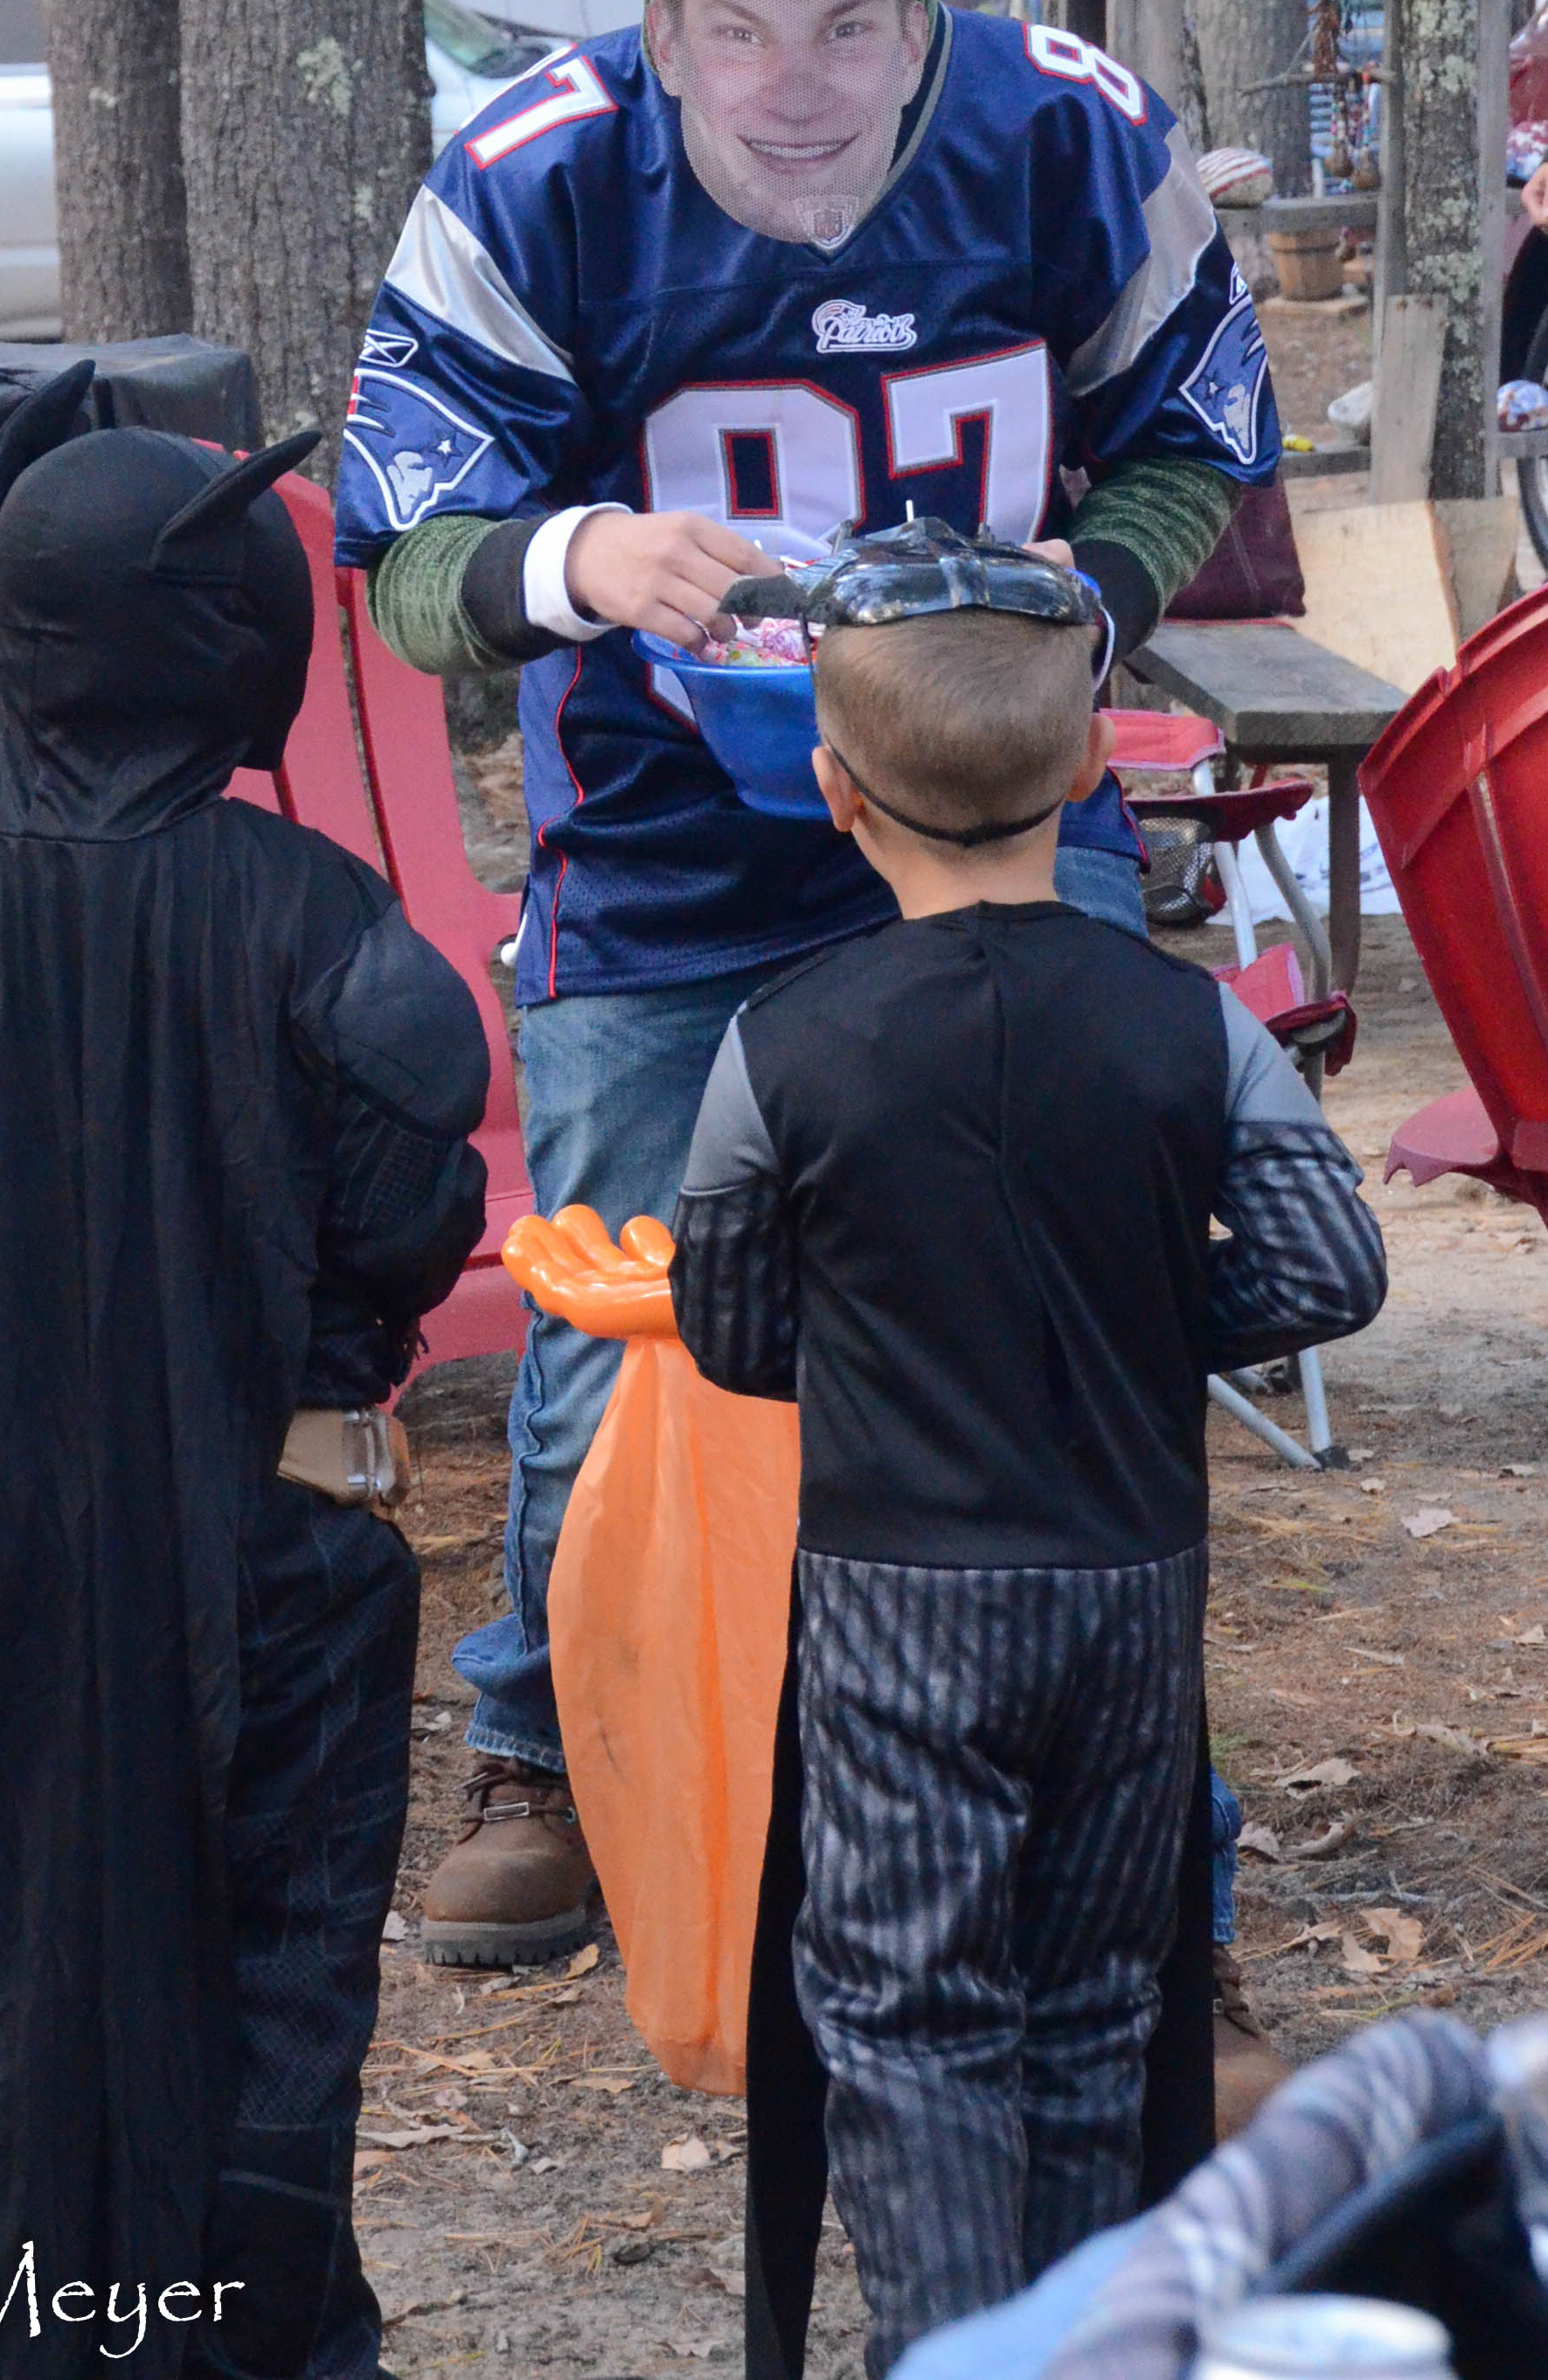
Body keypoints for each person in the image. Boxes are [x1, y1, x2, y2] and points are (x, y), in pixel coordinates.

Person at [334, 0, 1281, 1972]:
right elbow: (403, 549)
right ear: (656, 11)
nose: (790, 76)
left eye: (846, 16)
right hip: (663, 839)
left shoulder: (1067, 137)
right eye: (732, 24)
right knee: (611, 1316)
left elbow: (1187, 429)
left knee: (1049, 1314)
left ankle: (1117, 1785)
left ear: (918, 2)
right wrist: (580, 563)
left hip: (979, 811)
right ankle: (549, 1749)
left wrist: (1087, 598)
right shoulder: (533, 175)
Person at [0, 363, 489, 2380]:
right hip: (280, 1550)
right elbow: (411, 1223)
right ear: (223, 640)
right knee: (267, 2000)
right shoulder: (325, 928)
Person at [666, 523, 1388, 2379]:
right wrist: (1137, 1325)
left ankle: (960, 2349)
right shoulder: (1188, 1022)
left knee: (910, 2022)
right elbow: (1329, 1264)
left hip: (901, 1601)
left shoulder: (779, 1044)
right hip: (1128, 1594)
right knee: (1090, 2005)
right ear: (1088, 767)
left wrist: (906, 1342)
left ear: (829, 788)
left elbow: (734, 1328)